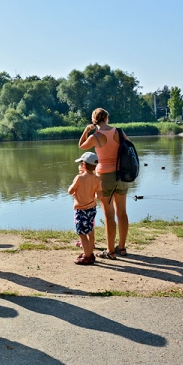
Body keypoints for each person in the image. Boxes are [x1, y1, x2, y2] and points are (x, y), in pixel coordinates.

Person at [79, 108, 130, 260]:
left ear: (94, 120)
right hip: (121, 174)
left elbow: (81, 146)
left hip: (104, 177)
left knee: (108, 215)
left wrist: (86, 130)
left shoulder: (96, 136)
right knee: (122, 212)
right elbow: (129, 147)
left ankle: (110, 251)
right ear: (107, 118)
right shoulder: (119, 132)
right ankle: (121, 247)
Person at [68, 152, 102, 265]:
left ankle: (88, 256)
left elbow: (70, 191)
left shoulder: (79, 178)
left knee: (82, 234)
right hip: (92, 209)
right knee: (90, 231)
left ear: (83, 164)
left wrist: (75, 190)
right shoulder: (97, 179)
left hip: (81, 210)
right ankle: (89, 252)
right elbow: (99, 196)